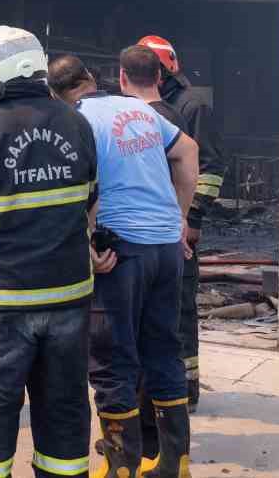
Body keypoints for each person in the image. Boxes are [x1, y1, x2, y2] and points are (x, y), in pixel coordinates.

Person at [0, 26, 98, 478]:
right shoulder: (76, 122)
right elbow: (88, 198)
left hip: (0, 302)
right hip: (68, 295)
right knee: (65, 409)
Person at [76, 46, 200, 478]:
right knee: (164, 350)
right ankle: (174, 464)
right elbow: (188, 153)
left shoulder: (79, 119)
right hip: (167, 246)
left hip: (122, 249)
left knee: (113, 358)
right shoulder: (145, 114)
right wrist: (180, 219)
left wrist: (88, 239)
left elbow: (85, 183)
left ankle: (120, 467)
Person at [136, 35, 225, 413]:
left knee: (181, 307)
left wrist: (193, 217)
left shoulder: (190, 107)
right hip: (155, 225)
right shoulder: (148, 107)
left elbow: (212, 167)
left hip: (179, 224)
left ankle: (186, 389)